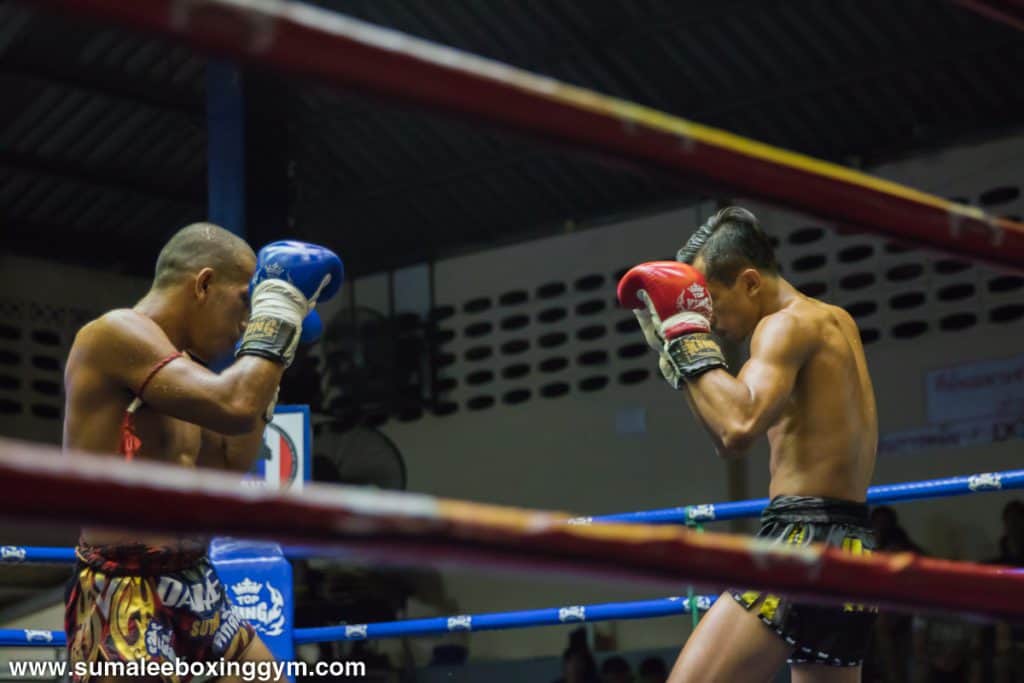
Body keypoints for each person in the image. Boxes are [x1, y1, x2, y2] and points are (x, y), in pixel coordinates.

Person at [62, 223, 343, 683]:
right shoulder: (114, 334)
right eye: (245, 303)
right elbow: (233, 406)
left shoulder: (187, 375)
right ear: (204, 283)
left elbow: (230, 462)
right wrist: (276, 321)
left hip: (194, 580)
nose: (245, 324)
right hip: (126, 590)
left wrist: (274, 364)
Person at [617, 207, 878, 682]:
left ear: (751, 283)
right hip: (851, 549)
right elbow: (726, 432)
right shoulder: (834, 320)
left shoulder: (783, 326)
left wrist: (683, 336)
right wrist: (678, 356)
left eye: (710, 301)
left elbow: (738, 427)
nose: (708, 318)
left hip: (804, 539)